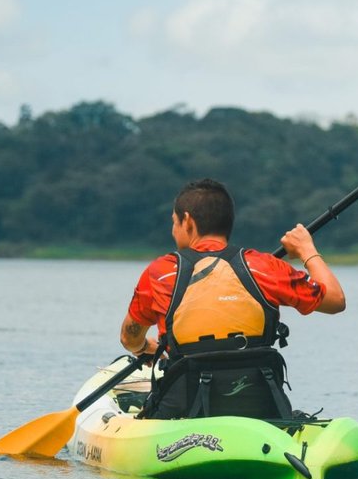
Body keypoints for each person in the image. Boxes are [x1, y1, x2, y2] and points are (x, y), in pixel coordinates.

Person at [119, 178, 345, 420]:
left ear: (187, 221)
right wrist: (306, 250)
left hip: (183, 410)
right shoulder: (265, 266)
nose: (173, 230)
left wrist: (145, 348)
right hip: (260, 405)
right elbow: (335, 300)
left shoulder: (160, 272)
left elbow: (129, 337)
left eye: (175, 223)